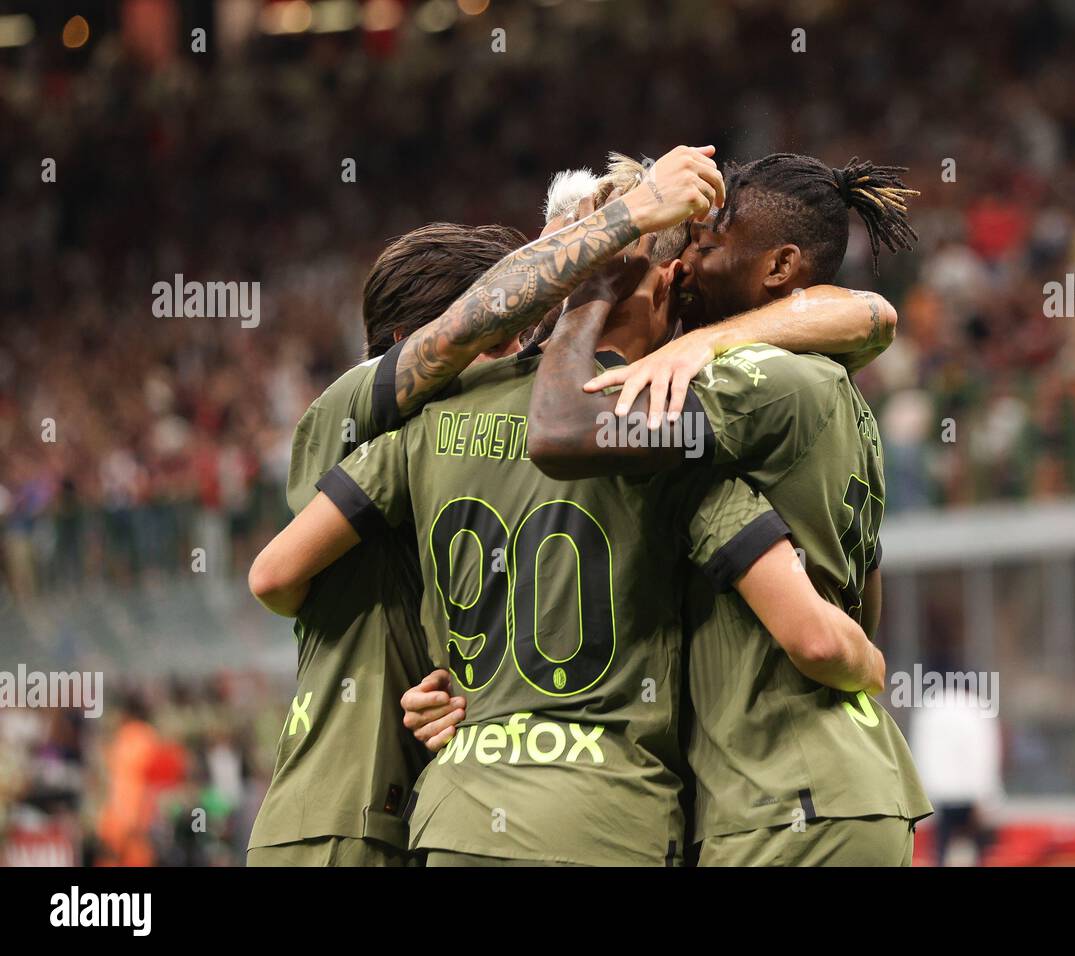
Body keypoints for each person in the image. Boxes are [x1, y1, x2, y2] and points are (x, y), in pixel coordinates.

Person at [249, 152, 899, 865]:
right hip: (641, 814)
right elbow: (830, 624)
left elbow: (275, 578)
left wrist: (467, 696)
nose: (523, 336)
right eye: (512, 317)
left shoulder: (435, 432)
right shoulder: (661, 436)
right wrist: (865, 659)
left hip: (438, 817)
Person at [526, 152, 933, 864]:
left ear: (778, 268)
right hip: (836, 784)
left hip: (787, 796)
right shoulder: (829, 382)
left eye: (706, 247)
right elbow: (864, 607)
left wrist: (589, 296)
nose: (685, 266)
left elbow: (562, 431)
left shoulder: (757, 379)